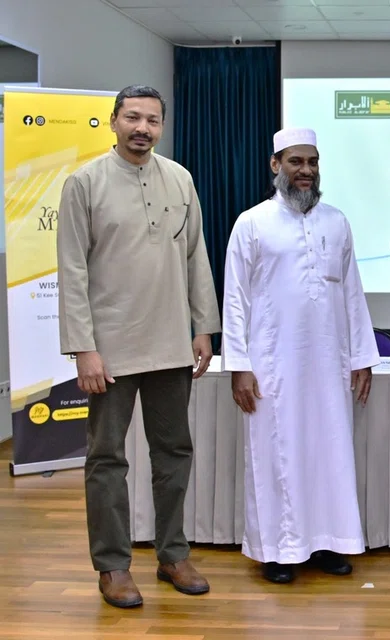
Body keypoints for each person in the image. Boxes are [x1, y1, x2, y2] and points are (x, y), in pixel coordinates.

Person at [57, 85, 220, 608]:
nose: (142, 128)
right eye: (132, 118)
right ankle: (112, 565)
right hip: (111, 349)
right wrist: (83, 347)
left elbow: (196, 256)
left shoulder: (180, 178)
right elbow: (72, 270)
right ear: (113, 121)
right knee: (106, 459)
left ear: (162, 126)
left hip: (172, 342)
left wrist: (203, 327)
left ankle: (172, 554)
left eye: (151, 120)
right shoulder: (85, 182)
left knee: (174, 453)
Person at [221, 127, 379, 584]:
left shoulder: (336, 221)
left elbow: (352, 294)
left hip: (329, 363)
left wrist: (361, 356)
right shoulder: (251, 223)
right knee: (278, 453)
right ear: (276, 166)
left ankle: (331, 542)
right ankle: (278, 549)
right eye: (296, 162)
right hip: (272, 364)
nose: (306, 171)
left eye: (312, 163)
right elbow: (235, 299)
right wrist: (239, 366)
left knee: (330, 450)